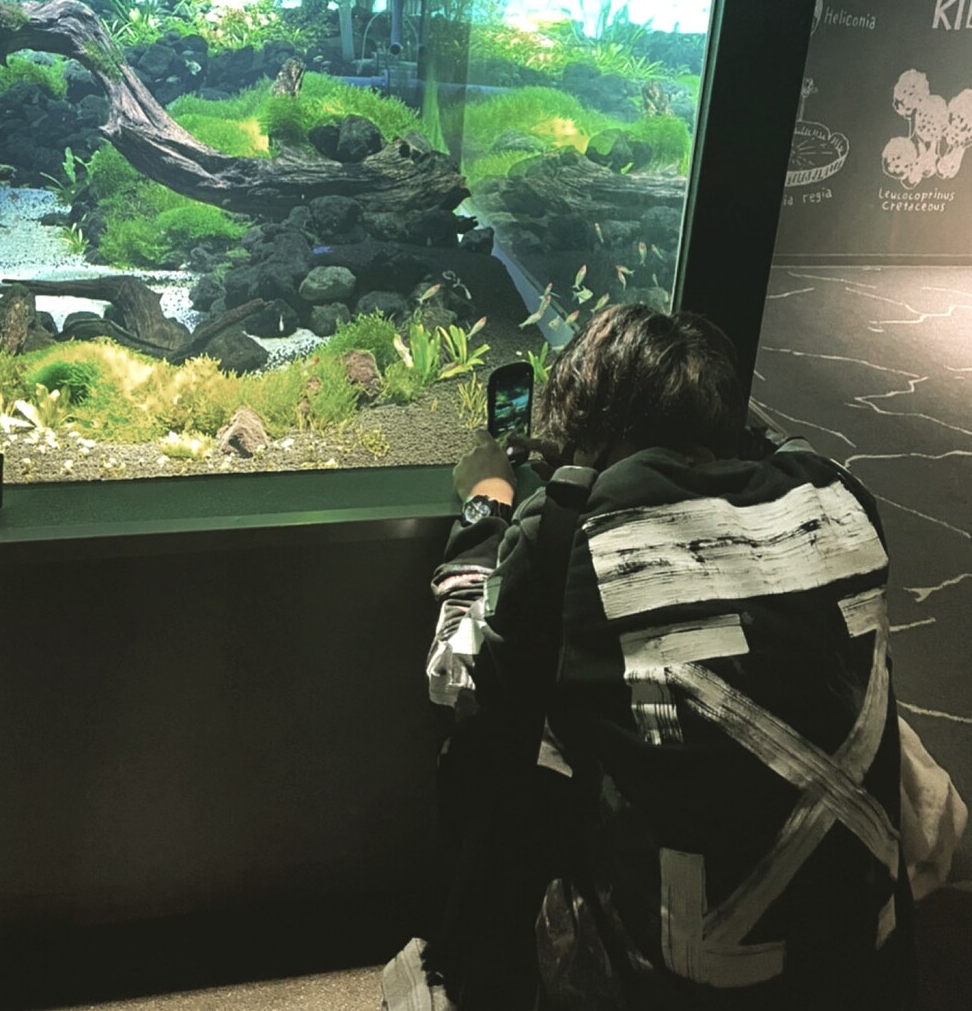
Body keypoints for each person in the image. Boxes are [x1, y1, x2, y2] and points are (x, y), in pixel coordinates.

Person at [381, 304, 915, 1011]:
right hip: (864, 956)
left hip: (684, 980)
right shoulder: (841, 495)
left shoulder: (568, 535)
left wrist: (489, 505)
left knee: (517, 746)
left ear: (580, 432)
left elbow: (453, 679)